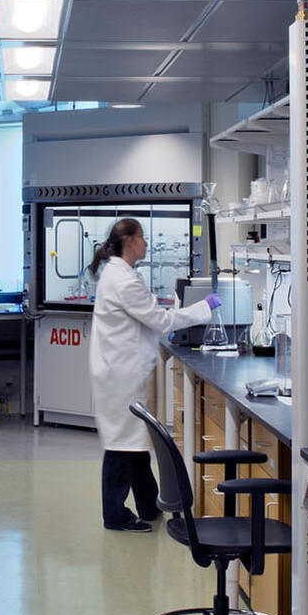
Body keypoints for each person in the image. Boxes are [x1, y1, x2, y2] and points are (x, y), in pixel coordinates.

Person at [88, 217, 219, 532]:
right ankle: (115, 516)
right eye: (143, 237)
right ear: (130, 240)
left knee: (135, 442)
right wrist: (205, 308)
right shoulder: (123, 279)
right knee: (122, 444)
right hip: (122, 375)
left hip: (120, 370)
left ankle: (149, 505)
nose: (146, 243)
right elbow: (161, 321)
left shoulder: (119, 274)